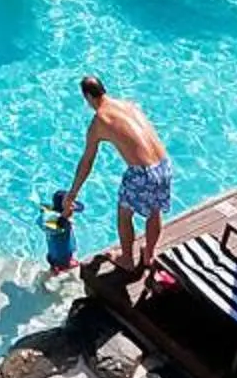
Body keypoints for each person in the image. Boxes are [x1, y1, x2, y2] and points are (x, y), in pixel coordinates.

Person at [60, 74, 174, 274]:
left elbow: (87, 162)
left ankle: (127, 259)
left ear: (88, 96)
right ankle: (149, 255)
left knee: (124, 214)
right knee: (154, 211)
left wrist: (72, 193)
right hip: (164, 164)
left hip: (143, 173)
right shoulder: (128, 105)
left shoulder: (100, 121)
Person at [38, 193, 79, 283]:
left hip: (54, 252)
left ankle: (42, 281)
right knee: (71, 267)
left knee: (54, 269)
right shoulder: (61, 224)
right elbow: (63, 221)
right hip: (62, 255)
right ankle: (74, 281)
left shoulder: (52, 220)